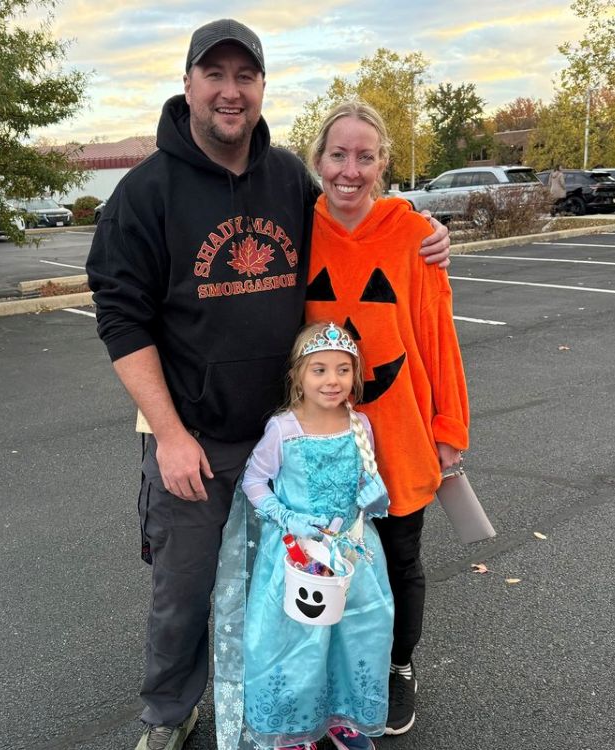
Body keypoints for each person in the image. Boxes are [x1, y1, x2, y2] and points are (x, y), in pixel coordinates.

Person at [85, 19, 451, 750]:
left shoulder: (287, 177)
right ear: (188, 83)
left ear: (260, 88)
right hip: (198, 439)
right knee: (183, 590)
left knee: (298, 586)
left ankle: (297, 707)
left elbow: (352, 218)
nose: (231, 91)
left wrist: (419, 228)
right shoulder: (145, 193)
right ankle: (170, 713)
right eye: (214, 75)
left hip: (296, 435)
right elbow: (121, 321)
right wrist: (169, 436)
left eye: (244, 76)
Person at [303, 100, 470, 737]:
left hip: (396, 432)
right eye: (338, 155)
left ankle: (399, 664)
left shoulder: (411, 234)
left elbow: (436, 334)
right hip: (322, 436)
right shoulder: (297, 232)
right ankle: (335, 666)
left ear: (383, 164)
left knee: (399, 559)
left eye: (365, 157)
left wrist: (449, 426)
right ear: (318, 160)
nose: (350, 170)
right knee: (325, 558)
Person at [213, 321, 395, 750]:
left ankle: (342, 717)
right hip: (298, 556)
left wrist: (375, 496)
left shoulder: (359, 424)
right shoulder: (284, 429)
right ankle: (294, 727)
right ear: (298, 375)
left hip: (353, 554)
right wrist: (287, 517)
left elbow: (364, 480)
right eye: (319, 370)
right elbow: (254, 482)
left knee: (357, 634)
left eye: (343, 370)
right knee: (296, 642)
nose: (333, 380)